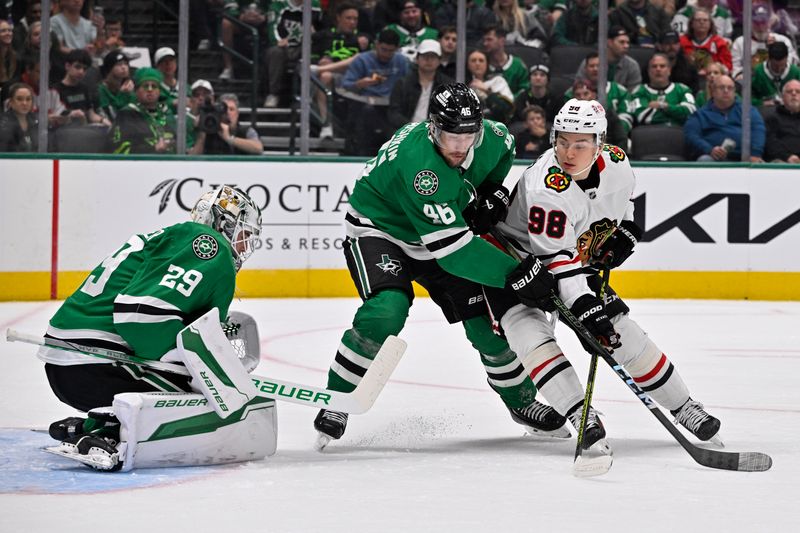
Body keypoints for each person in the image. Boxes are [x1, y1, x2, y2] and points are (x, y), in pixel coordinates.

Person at [313, 82, 566, 448]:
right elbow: (456, 252)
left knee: (485, 326)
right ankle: (337, 400)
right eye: (450, 136)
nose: (460, 147)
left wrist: (492, 189)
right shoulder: (421, 168)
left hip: (440, 235)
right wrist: (516, 274)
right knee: (386, 310)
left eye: (468, 136)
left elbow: (504, 153)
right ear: (433, 127)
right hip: (382, 230)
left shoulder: (494, 137)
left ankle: (522, 403)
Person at [484, 98, 723, 453]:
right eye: (562, 140)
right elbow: (557, 263)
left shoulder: (618, 163)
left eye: (580, 143)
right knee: (531, 337)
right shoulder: (545, 188)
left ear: (599, 143)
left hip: (569, 260)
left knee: (620, 330)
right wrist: (585, 308)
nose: (569, 151)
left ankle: (683, 405)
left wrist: (627, 230)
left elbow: (622, 207)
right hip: (512, 261)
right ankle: (581, 415)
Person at [38, 186, 276, 472]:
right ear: (224, 222)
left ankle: (96, 423)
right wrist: (193, 366)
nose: (242, 247)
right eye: (243, 236)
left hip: (70, 362)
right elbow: (139, 315)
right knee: (203, 396)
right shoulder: (208, 243)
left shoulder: (174, 239)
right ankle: (107, 434)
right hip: (96, 363)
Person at [339, 29, 410, 155]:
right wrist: (360, 84)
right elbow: (345, 85)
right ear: (376, 44)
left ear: (397, 49)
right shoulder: (362, 60)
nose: (386, 54)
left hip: (391, 106)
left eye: (391, 51)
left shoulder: (402, 61)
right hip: (365, 105)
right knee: (365, 113)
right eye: (383, 49)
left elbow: (408, 84)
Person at [310, 1, 366, 138]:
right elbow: (310, 61)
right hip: (329, 76)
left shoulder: (362, 39)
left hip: (355, 77)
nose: (353, 22)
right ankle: (326, 124)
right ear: (338, 18)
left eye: (355, 19)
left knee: (357, 58)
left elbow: (367, 62)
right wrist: (320, 61)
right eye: (348, 18)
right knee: (325, 76)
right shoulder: (322, 36)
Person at [684, 74, 765, 162]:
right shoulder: (700, 114)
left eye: (730, 88)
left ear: (735, 91)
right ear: (713, 91)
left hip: (745, 158)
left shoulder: (748, 111)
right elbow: (691, 135)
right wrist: (709, 149)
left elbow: (758, 130)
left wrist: (755, 153)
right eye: (721, 87)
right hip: (713, 158)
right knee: (704, 160)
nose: (726, 91)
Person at [263, 0, 322, 107]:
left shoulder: (315, 5)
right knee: (275, 52)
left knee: (312, 53)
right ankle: (273, 94)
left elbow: (321, 27)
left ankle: (308, 96)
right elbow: (272, 27)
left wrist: (315, 35)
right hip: (283, 47)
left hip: (304, 46)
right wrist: (278, 41)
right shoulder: (279, 4)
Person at [109, 67, 178, 154]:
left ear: (159, 91)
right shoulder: (127, 114)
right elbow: (118, 149)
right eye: (145, 86)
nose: (150, 89)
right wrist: (154, 149)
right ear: (137, 91)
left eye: (154, 86)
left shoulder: (167, 114)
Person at [388, 39, 451, 129]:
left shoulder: (447, 85)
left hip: (436, 133)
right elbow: (394, 113)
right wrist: (411, 127)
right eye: (425, 56)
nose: (429, 60)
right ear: (417, 59)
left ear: (439, 60)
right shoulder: (402, 83)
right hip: (407, 131)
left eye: (433, 56)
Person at [731, 4, 799, 80]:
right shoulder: (740, 43)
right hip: (751, 83)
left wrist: (775, 50)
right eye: (756, 22)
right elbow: (735, 69)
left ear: (770, 22)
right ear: (750, 23)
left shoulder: (783, 41)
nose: (760, 27)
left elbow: (792, 67)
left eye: (763, 22)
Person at [628, 53, 696, 127]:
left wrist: (664, 106)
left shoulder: (682, 89)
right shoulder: (639, 91)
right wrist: (676, 114)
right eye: (654, 66)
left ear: (669, 70)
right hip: (649, 135)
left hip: (679, 135)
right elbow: (642, 116)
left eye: (662, 66)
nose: (658, 69)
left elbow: (690, 112)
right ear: (648, 71)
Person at [194, 93, 263, 155]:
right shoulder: (209, 132)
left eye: (231, 109)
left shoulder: (246, 131)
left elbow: (258, 148)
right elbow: (192, 159)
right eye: (224, 109)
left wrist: (229, 139)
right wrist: (202, 132)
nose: (228, 112)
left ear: (237, 114)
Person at [576, 26, 641, 91]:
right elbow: (578, 87)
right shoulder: (591, 61)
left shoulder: (632, 65)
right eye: (622, 42)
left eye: (627, 43)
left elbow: (634, 92)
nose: (626, 46)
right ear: (609, 42)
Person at [54, 49, 107, 127]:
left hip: (83, 129)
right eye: (77, 67)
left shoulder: (84, 88)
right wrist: (70, 115)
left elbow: (91, 115)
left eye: (84, 69)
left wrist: (103, 120)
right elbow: (54, 117)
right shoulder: (56, 90)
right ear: (67, 66)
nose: (81, 71)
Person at [219, 0, 269, 80]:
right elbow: (230, 5)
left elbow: (277, 5)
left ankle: (268, 70)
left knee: (275, 24)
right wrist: (240, 16)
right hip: (241, 21)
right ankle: (228, 67)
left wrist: (265, 16)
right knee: (226, 23)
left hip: (264, 22)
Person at [678, 7, 732, 75]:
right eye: (698, 20)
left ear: (710, 24)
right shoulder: (681, 42)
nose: (701, 22)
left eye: (705, 20)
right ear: (691, 23)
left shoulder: (720, 43)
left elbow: (728, 67)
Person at [467, 48, 515, 123]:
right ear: (468, 64)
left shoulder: (497, 81)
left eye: (481, 60)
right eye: (473, 60)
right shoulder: (462, 84)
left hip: (494, 125)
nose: (477, 63)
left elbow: (506, 109)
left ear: (487, 64)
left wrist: (487, 91)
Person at [482, 25, 529, 98]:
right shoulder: (481, 63)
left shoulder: (518, 65)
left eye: (489, 40)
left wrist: (510, 101)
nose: (485, 44)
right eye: (484, 40)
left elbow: (525, 89)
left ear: (502, 41)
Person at [751, 41, 800, 107]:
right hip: (765, 111)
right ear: (769, 59)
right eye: (775, 66)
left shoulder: (796, 72)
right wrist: (761, 103)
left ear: (786, 58)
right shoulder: (758, 72)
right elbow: (746, 97)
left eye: (782, 65)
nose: (779, 69)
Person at [764, 79, 800, 162]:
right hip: (782, 161)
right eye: (789, 91)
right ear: (783, 97)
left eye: (798, 91)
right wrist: (787, 157)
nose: (794, 94)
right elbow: (770, 142)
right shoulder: (772, 118)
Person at [97, 50, 135, 122]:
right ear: (109, 68)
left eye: (126, 64)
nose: (123, 67)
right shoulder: (102, 90)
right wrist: (123, 95)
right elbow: (112, 115)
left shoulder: (129, 85)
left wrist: (131, 94)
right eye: (119, 64)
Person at [0, 82, 38, 152]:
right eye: (19, 99)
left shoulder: (36, 121)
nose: (24, 103)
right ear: (11, 102)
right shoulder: (3, 124)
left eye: (28, 99)